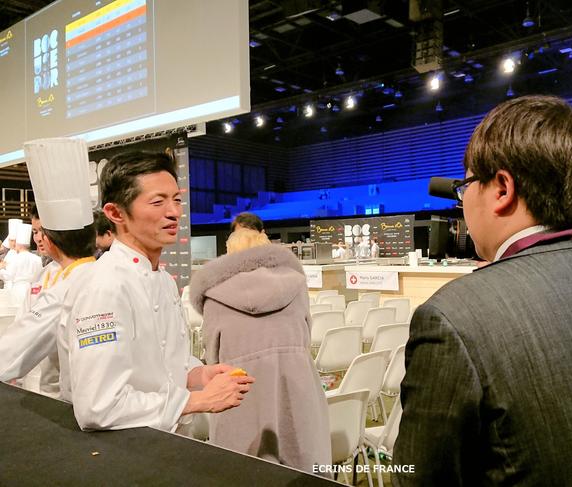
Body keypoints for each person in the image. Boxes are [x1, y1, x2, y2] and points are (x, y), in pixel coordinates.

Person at [392, 96, 572, 486]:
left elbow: (419, 478)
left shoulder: (454, 316)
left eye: (465, 186)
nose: (463, 203)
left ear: (502, 189)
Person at [58, 151, 255, 431]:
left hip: (165, 440)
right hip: (123, 449)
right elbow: (98, 407)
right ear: (115, 213)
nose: (174, 212)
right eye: (157, 202)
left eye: (176, 200)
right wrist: (197, 400)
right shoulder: (104, 286)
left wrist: (197, 374)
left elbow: (161, 364)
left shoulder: (163, 280)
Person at [189, 227, 331, 471]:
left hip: (240, 391)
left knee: (244, 471)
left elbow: (213, 355)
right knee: (303, 467)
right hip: (297, 385)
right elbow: (306, 334)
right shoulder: (296, 285)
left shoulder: (214, 296)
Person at [0, 138, 97, 399]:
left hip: (70, 400)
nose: (39, 238)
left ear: (52, 237)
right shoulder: (98, 274)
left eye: (42, 231)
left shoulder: (68, 288)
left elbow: (12, 352)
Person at [0, 223, 42, 304]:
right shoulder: (37, 259)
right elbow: (40, 277)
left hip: (17, 290)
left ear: (18, 244)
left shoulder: (15, 258)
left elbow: (9, 276)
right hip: (33, 291)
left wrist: (1, 269)